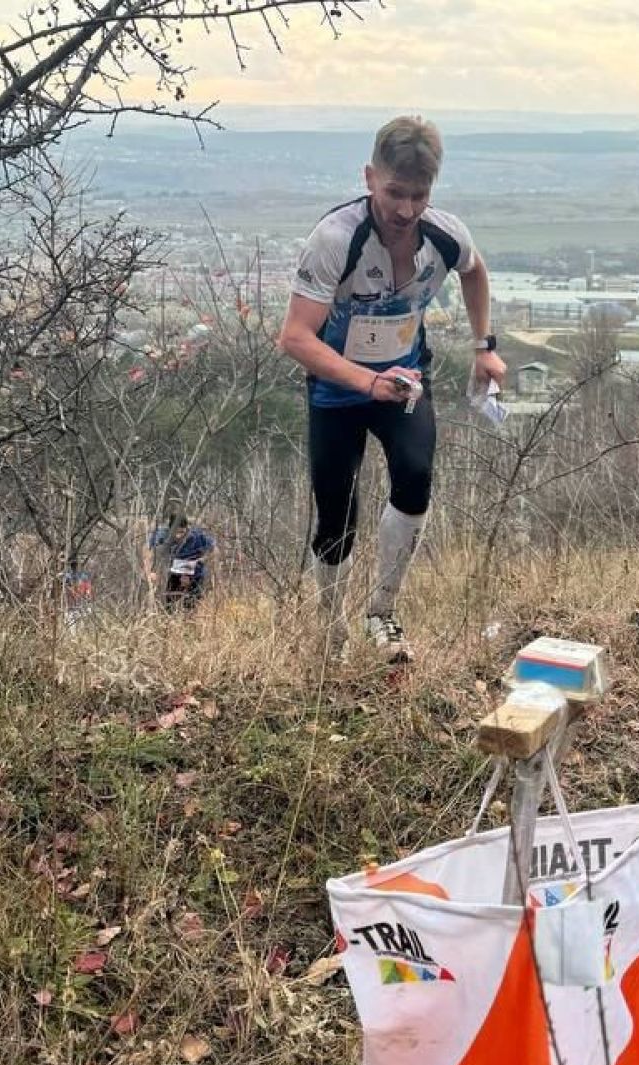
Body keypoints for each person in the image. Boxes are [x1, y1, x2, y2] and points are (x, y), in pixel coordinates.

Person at [277, 114, 506, 664]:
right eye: (394, 193)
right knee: (337, 513)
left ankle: (382, 612)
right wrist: (364, 381)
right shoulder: (336, 239)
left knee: (416, 475)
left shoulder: (445, 234)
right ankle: (331, 626)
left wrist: (484, 346)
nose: (405, 210)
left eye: (419, 196)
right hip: (338, 388)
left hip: (403, 382)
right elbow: (294, 337)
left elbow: (474, 270)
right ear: (370, 178)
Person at [146, 513, 213, 609]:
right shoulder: (162, 535)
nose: (178, 536)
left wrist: (201, 560)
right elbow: (149, 551)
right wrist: (151, 570)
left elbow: (212, 550)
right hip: (174, 572)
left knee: (190, 605)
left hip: (195, 573)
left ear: (186, 528)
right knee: (170, 604)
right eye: (175, 532)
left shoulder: (198, 536)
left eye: (181, 532)